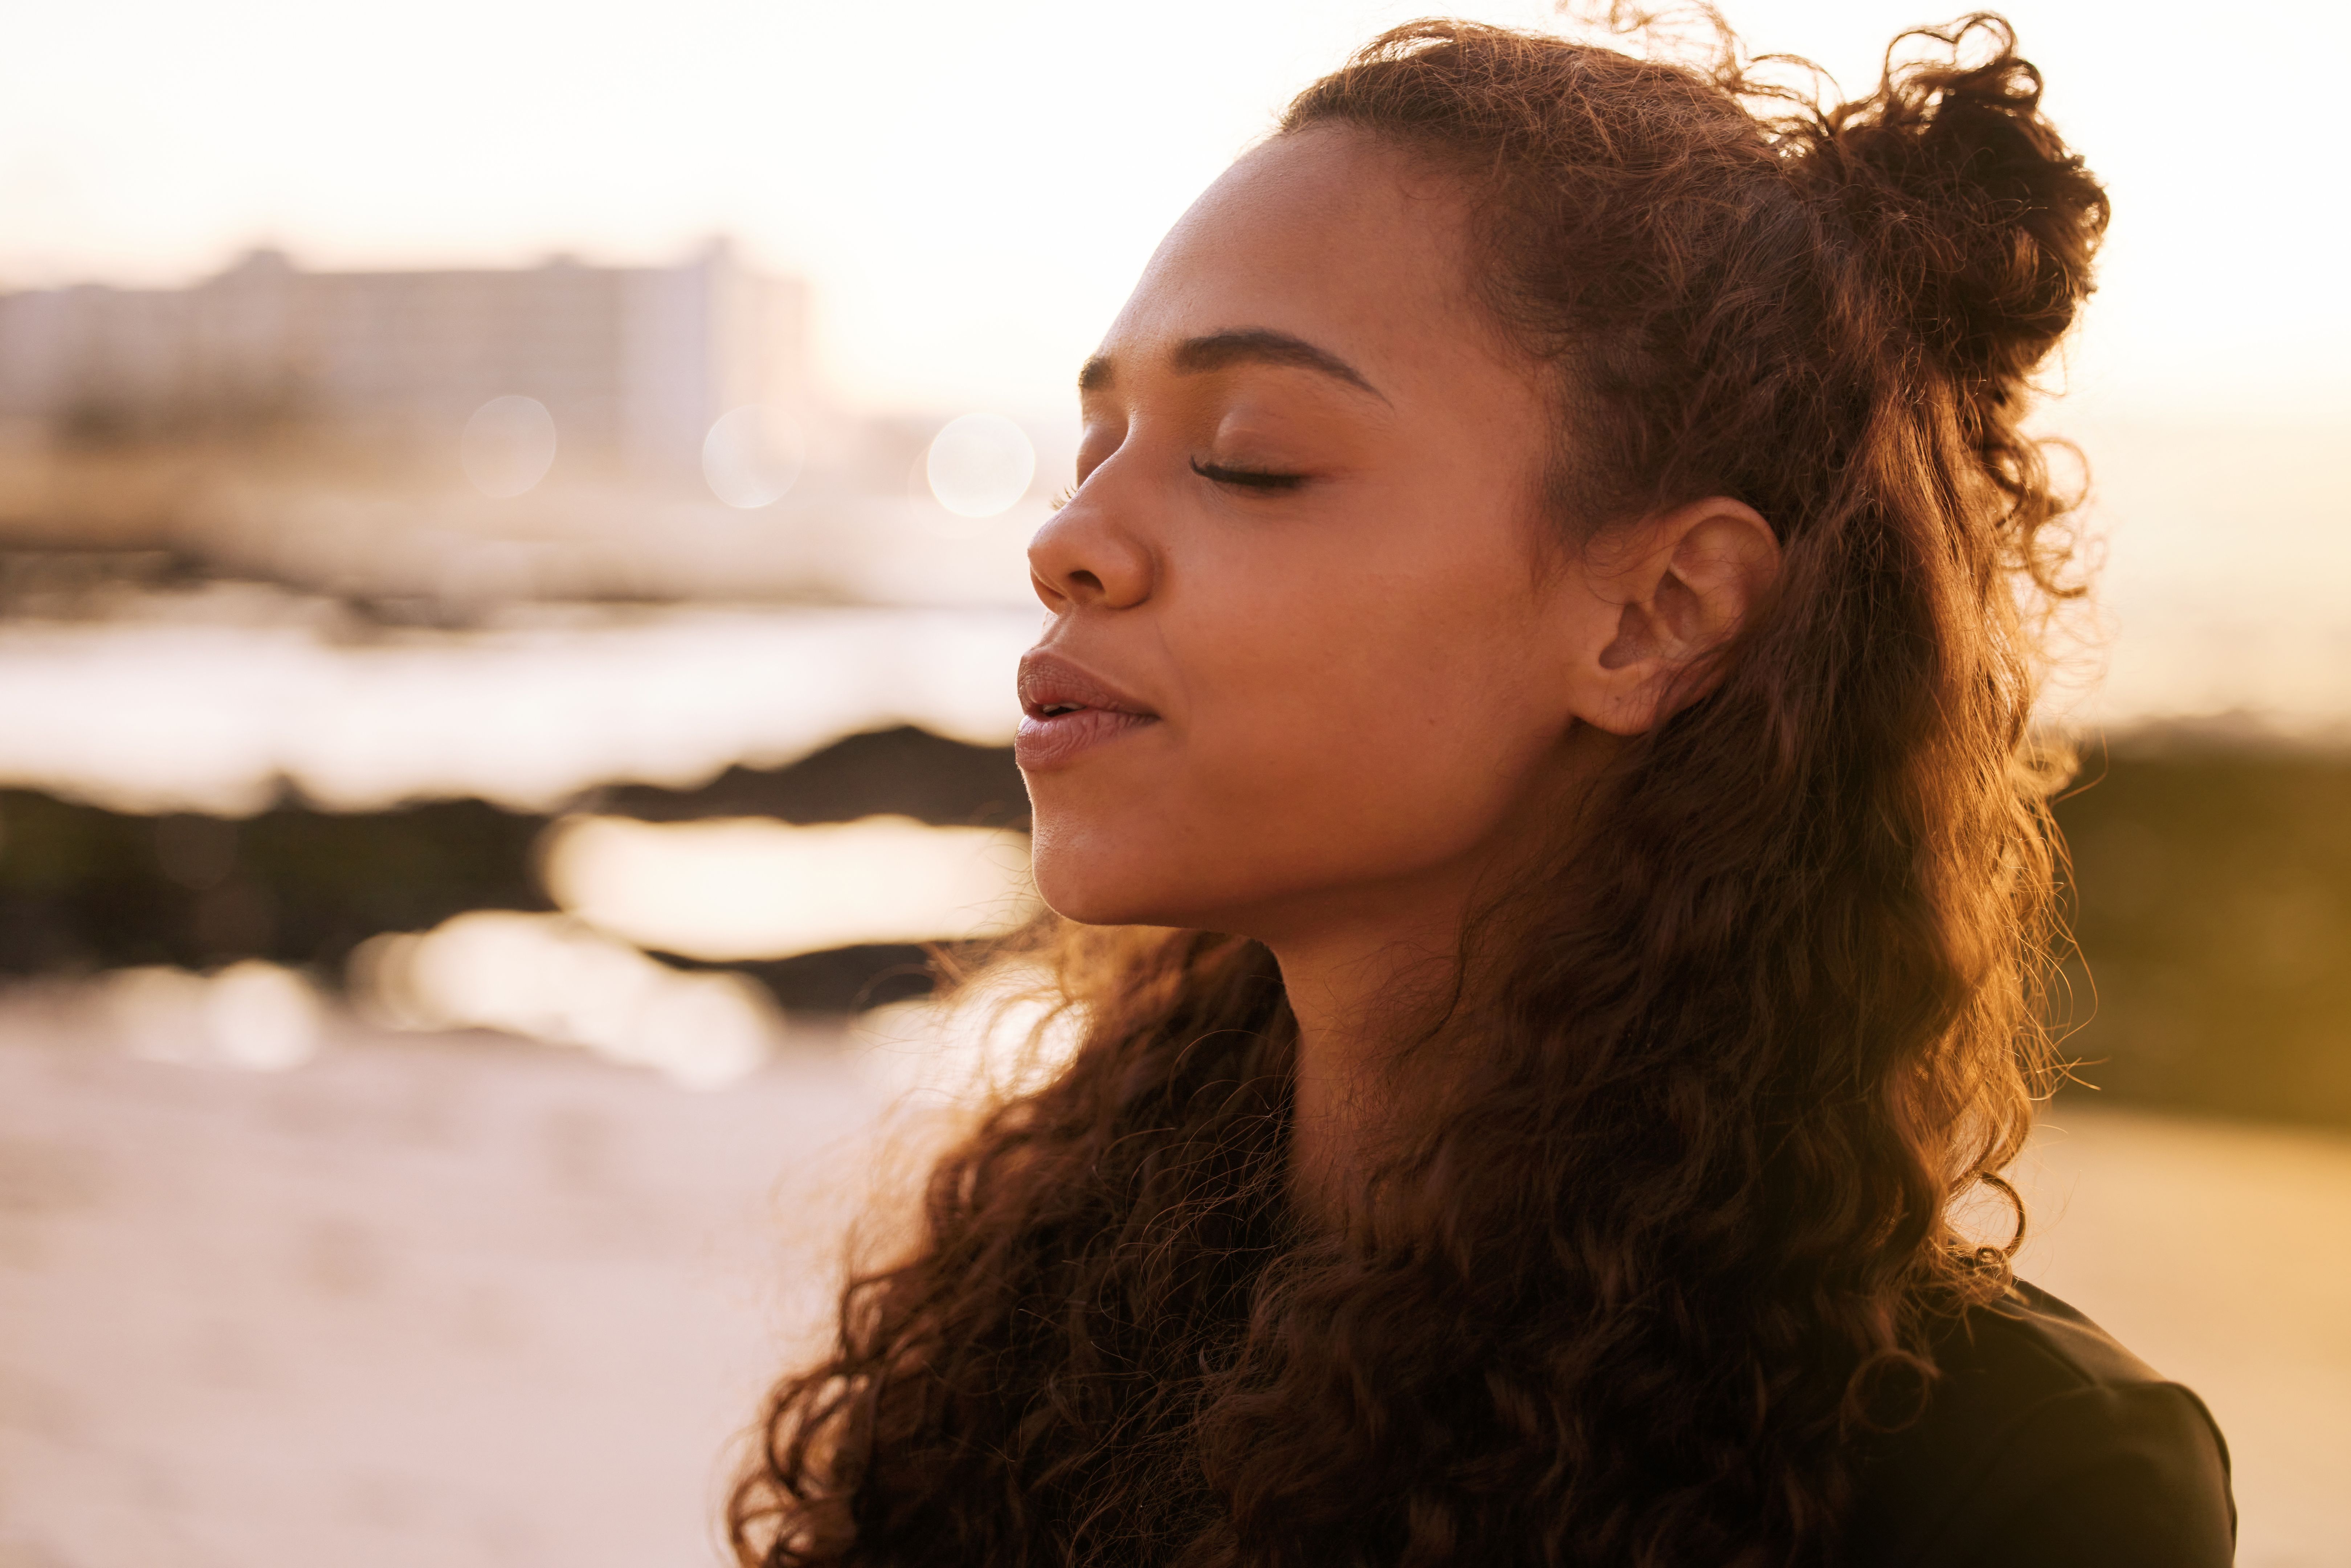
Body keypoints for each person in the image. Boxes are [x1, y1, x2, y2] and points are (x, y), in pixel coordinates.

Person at [732, 13, 2236, 1566]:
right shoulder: (1050, 1310)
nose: (1066, 541)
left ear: (1659, 615)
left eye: (1250, 456)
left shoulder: (2013, 1492)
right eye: (1097, 443)